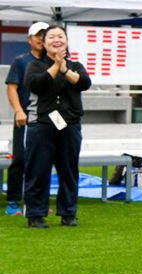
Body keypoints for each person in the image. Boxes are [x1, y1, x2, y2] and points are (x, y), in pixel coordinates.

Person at [22, 24, 91, 228]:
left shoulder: (75, 65)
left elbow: (83, 83)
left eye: (60, 36)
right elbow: (36, 84)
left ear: (67, 41)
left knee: (69, 170)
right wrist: (55, 66)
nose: (56, 40)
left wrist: (64, 68)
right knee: (38, 170)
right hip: (41, 124)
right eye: (51, 37)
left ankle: (68, 213)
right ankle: (35, 214)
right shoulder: (35, 65)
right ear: (43, 43)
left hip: (69, 125)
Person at [4, 22, 48, 216]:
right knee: (20, 158)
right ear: (29, 39)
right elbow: (12, 87)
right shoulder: (21, 61)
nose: (41, 39)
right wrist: (18, 110)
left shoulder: (54, 61)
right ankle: (13, 201)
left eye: (44, 35)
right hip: (25, 118)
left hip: (47, 119)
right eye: (37, 35)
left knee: (43, 161)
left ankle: (38, 202)